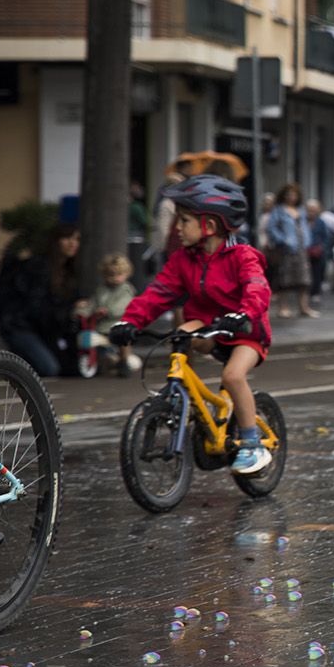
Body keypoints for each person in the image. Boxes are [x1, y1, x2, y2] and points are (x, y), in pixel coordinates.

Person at [110, 175, 275, 475]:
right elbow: (159, 293)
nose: (177, 228)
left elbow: (257, 287)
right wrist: (129, 321)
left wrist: (244, 314)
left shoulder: (242, 256)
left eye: (184, 221)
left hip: (244, 331)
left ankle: (252, 444)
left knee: (234, 375)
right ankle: (182, 396)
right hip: (209, 326)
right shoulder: (183, 260)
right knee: (180, 335)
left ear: (209, 226)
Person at [0, 223, 82, 377]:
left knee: (68, 367)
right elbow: (36, 306)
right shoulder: (38, 266)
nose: (72, 243)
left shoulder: (68, 271)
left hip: (43, 329)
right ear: (55, 241)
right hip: (19, 326)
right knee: (49, 368)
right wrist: (68, 310)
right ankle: (11, 363)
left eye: (76, 239)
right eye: (67, 238)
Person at [87, 252, 142, 376]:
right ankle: (105, 362)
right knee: (93, 342)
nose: (115, 278)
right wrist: (84, 310)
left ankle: (124, 361)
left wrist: (108, 310)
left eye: (119, 274)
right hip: (101, 326)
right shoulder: (101, 290)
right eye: (110, 274)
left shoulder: (126, 289)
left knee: (123, 338)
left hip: (118, 323)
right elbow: (93, 303)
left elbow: (124, 305)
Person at [264, 184, 313, 318]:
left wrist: (308, 241)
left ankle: (304, 307)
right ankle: (283, 308)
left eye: (294, 194)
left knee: (304, 279)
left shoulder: (301, 210)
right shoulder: (278, 210)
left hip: (301, 248)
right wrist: (283, 240)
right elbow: (271, 228)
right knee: (284, 279)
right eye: (289, 194)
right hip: (286, 249)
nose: (292, 197)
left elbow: (305, 227)